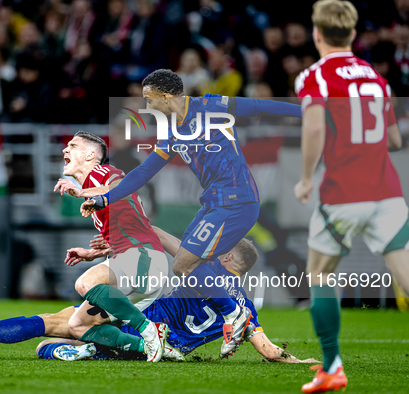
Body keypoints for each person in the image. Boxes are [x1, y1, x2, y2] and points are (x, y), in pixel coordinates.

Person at [80, 69, 301, 358]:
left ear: (165, 96)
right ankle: (239, 316)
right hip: (213, 205)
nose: (147, 106)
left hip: (237, 201)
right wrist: (105, 199)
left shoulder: (212, 106)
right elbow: (144, 171)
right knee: (191, 263)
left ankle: (235, 314)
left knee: (183, 264)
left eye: (149, 99)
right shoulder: (171, 133)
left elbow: (258, 106)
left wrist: (304, 110)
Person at [0, 228, 318, 364]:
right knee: (56, 332)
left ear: (230, 255)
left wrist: (141, 222)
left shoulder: (207, 267)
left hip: (142, 326)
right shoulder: (245, 305)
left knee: (55, 328)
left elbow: (172, 245)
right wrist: (299, 360)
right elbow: (268, 349)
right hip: (166, 350)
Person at [293, 1, 409, 392]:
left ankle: (332, 366)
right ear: (354, 34)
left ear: (317, 34)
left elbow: (312, 127)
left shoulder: (316, 76)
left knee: (321, 274)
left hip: (343, 192)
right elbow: (394, 139)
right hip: (388, 193)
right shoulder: (377, 78)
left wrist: (307, 177)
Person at [52, 131, 171, 362]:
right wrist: (96, 252)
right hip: (138, 266)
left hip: (144, 256)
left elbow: (122, 186)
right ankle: (153, 348)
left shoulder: (103, 173)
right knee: (79, 325)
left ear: (90, 155)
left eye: (73, 146)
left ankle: (149, 331)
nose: (65, 150)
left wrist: (83, 192)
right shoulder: (94, 191)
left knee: (85, 283)